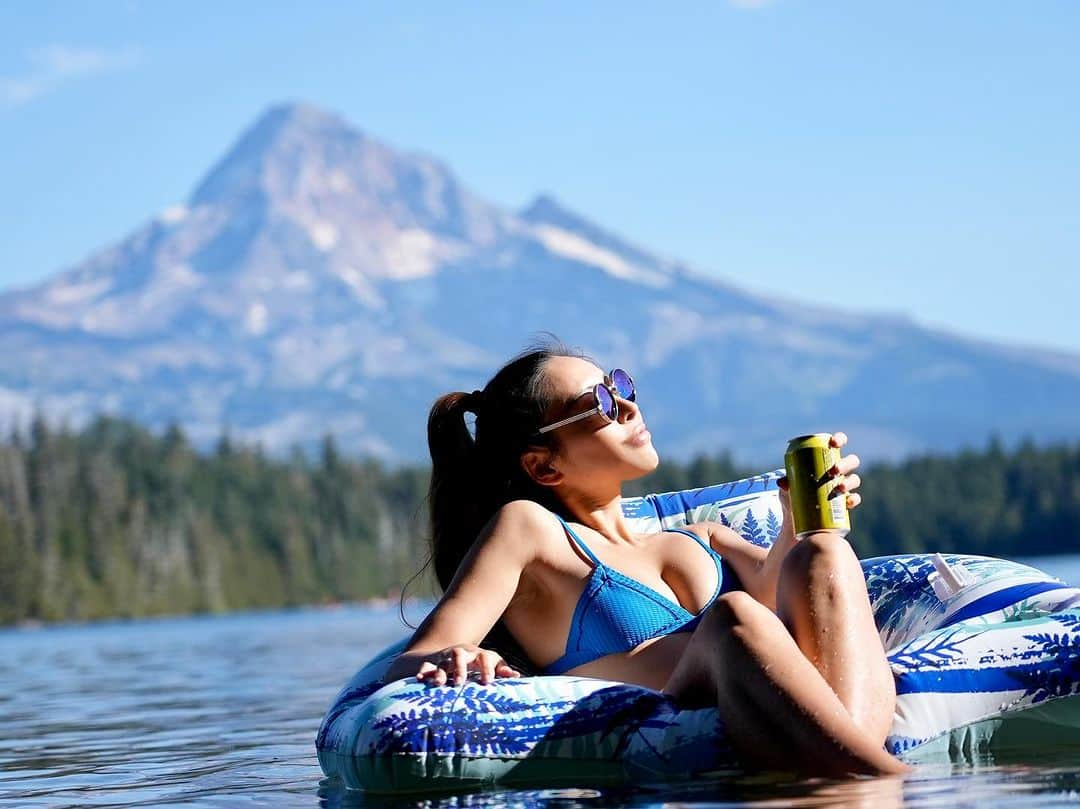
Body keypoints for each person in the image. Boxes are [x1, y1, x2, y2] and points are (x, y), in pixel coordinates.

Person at [384, 338, 909, 777]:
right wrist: (462, 655)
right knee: (731, 617)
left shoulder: (700, 538)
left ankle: (856, 777)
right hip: (678, 712)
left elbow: (788, 610)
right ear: (544, 467)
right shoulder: (530, 530)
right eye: (601, 405)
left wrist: (798, 521)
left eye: (620, 387)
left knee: (825, 551)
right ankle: (883, 782)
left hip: (783, 706)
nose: (629, 408)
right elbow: (412, 659)